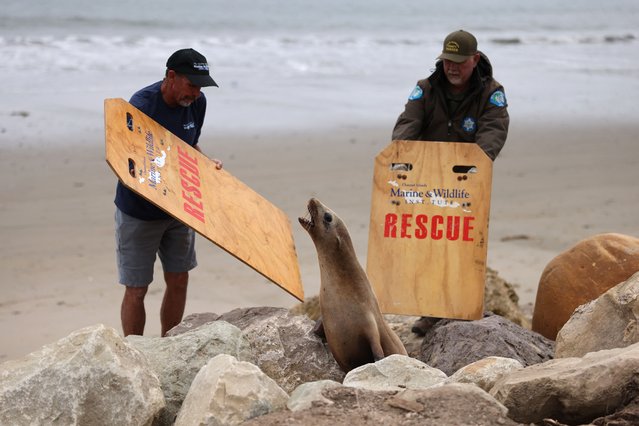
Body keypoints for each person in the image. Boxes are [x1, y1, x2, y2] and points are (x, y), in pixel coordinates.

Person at [392, 30, 509, 335]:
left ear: (475, 59)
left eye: (459, 62)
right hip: (426, 181)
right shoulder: (426, 89)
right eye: (447, 61)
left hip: (466, 181)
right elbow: (408, 124)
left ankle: (464, 306)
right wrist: (400, 157)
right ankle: (430, 311)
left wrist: (474, 168)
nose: (452, 68)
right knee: (428, 244)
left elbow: (493, 131)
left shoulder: (491, 93)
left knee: (464, 244)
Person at [114, 48, 223, 337]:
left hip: (179, 208)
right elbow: (128, 162)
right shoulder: (141, 105)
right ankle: (135, 350)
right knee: (137, 288)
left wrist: (206, 162)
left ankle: (169, 344)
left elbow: (189, 147)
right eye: (191, 85)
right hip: (139, 212)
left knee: (179, 279)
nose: (196, 93)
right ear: (171, 76)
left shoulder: (197, 104)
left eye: (201, 87)